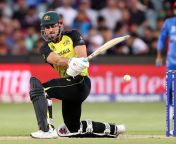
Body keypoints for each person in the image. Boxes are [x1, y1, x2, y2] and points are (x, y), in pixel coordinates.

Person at [30, 11, 125, 139]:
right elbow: (57, 60)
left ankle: (47, 130)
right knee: (72, 129)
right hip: (69, 86)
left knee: (40, 89)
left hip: (81, 82)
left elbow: (82, 57)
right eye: (47, 27)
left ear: (60, 25)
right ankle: (113, 129)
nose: (50, 30)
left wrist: (78, 62)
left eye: (53, 26)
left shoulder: (73, 35)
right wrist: (70, 62)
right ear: (44, 30)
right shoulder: (45, 48)